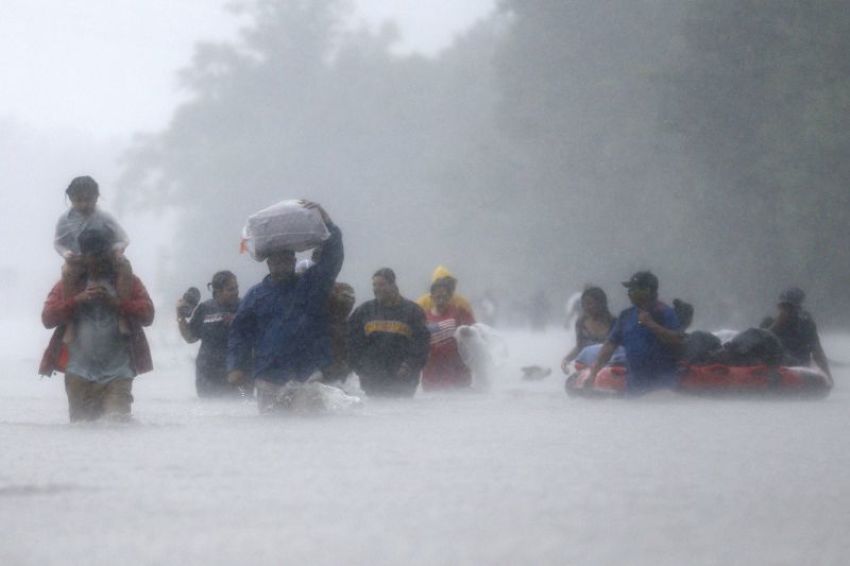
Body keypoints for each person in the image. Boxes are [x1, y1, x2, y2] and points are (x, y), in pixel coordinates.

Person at [226, 203, 343, 413]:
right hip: (268, 378)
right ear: (269, 264)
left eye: (287, 260)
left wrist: (328, 222)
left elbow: (332, 259)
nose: (282, 265)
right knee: (271, 431)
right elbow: (239, 334)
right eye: (277, 261)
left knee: (312, 431)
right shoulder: (255, 296)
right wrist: (235, 367)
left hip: (307, 375)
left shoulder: (310, 286)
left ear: (293, 261)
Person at [39, 226, 154, 422]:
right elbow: (47, 318)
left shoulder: (128, 282)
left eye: (103, 255)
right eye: (93, 256)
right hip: (78, 372)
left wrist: (117, 303)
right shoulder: (69, 283)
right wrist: (77, 300)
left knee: (117, 426)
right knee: (82, 431)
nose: (99, 262)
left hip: (118, 373)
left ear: (111, 254)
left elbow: (148, 315)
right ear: (83, 256)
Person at [54, 176, 133, 338]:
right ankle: (71, 322)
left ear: (96, 197)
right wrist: (66, 254)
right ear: (70, 198)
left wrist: (118, 250)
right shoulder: (65, 219)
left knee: (125, 265)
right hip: (80, 260)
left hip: (105, 257)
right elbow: (58, 243)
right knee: (67, 271)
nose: (84, 204)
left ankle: (122, 315)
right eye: (78, 200)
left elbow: (124, 238)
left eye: (88, 199)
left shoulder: (104, 217)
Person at [587, 271, 682, 394]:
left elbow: (678, 341)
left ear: (648, 291)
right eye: (630, 290)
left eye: (634, 290)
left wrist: (651, 325)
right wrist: (593, 374)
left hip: (663, 388)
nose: (630, 294)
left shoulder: (665, 313)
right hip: (634, 388)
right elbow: (609, 346)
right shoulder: (626, 316)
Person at [349, 268, 430, 397]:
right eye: (374, 285)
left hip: (403, 382)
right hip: (372, 382)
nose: (376, 289)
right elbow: (352, 343)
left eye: (381, 285)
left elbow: (421, 345)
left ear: (393, 285)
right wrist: (361, 369)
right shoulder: (364, 311)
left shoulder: (413, 311)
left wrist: (408, 366)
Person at [177, 270, 243, 398]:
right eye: (230, 289)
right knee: (211, 412)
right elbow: (190, 338)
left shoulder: (244, 306)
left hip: (237, 374)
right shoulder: (205, 309)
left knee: (245, 403)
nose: (236, 292)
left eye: (236, 288)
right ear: (217, 291)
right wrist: (180, 316)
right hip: (207, 375)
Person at [760, 287, 831, 378]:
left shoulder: (805, 325)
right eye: (783, 307)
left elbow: (817, 352)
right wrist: (776, 325)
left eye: (790, 307)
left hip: (798, 366)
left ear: (798, 308)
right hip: (774, 367)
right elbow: (759, 344)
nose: (786, 311)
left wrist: (828, 376)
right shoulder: (768, 323)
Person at [421, 279, 476, 390]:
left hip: (457, 373)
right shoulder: (423, 316)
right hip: (431, 374)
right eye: (438, 296)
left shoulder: (460, 312)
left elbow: (475, 334)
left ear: (450, 297)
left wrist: (468, 333)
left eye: (445, 296)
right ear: (431, 297)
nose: (441, 299)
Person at [562, 286, 616, 369]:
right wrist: (566, 360)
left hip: (610, 367)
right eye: (583, 304)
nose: (586, 307)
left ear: (601, 303)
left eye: (590, 304)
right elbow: (580, 346)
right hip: (587, 367)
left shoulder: (615, 323)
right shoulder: (581, 323)